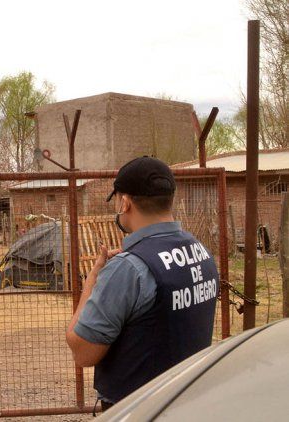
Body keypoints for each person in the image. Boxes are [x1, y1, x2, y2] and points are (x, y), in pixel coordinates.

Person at [65, 157, 219, 412]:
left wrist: (92, 281)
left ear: (125, 202)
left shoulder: (128, 268)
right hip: (188, 400)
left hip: (138, 408)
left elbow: (83, 352)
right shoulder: (200, 251)